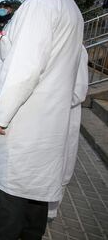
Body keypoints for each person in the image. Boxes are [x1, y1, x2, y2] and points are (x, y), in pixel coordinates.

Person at [0, 0, 84, 240]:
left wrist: (2, 115)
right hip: (43, 126)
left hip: (22, 126)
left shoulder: (39, 5)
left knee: (9, 217)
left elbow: (25, 68)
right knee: (32, 213)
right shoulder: (66, 3)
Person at [48, 46, 88, 220]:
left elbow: (78, 92)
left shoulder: (78, 49)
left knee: (59, 165)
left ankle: (50, 210)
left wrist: (46, 100)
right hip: (47, 118)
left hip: (61, 117)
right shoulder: (54, 44)